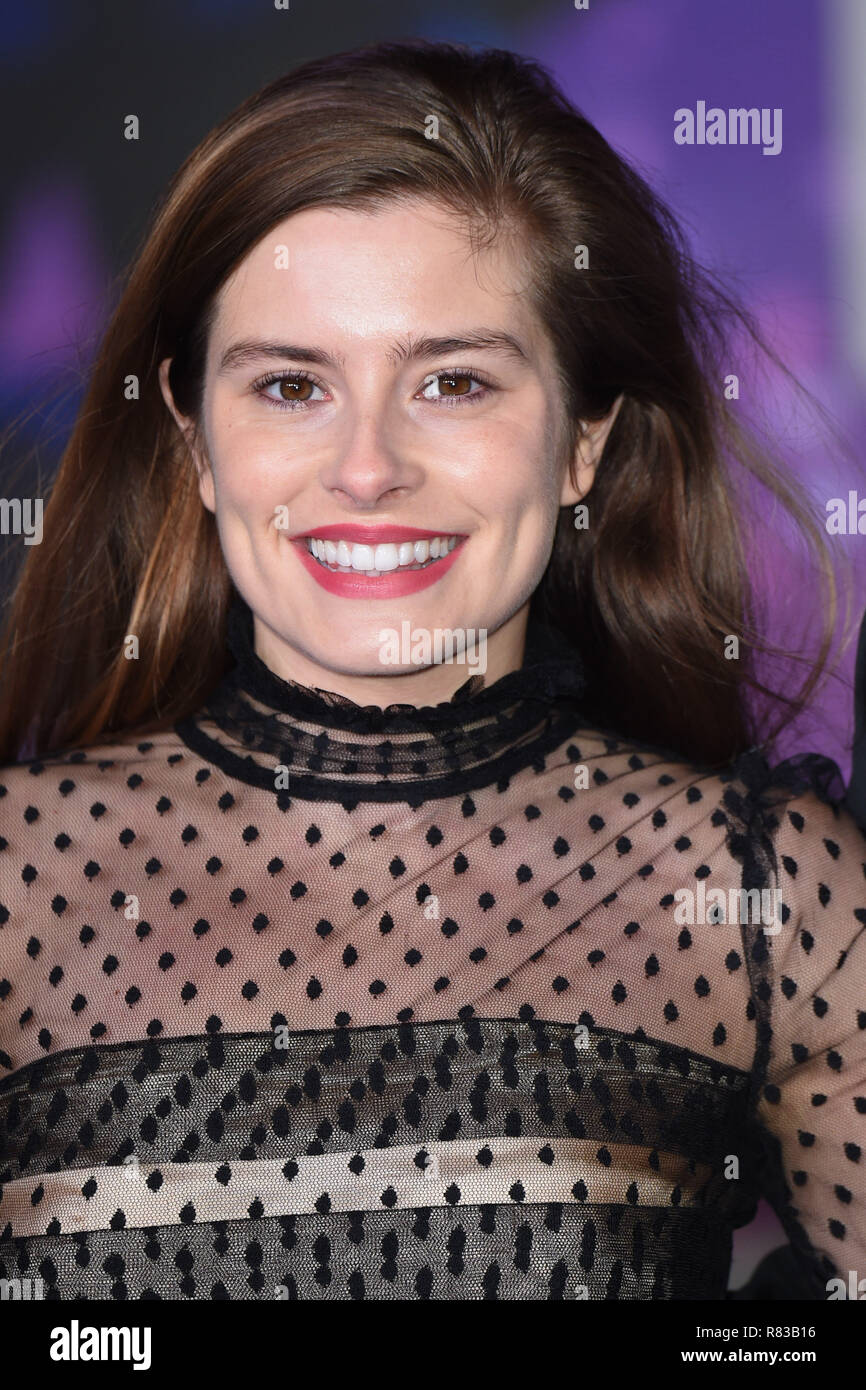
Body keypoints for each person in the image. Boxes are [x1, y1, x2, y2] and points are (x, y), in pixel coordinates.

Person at [0, 39, 863, 1302]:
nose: (366, 467)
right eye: (290, 385)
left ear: (582, 442)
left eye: (452, 382)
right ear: (194, 441)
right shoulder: (17, 887)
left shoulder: (769, 905)